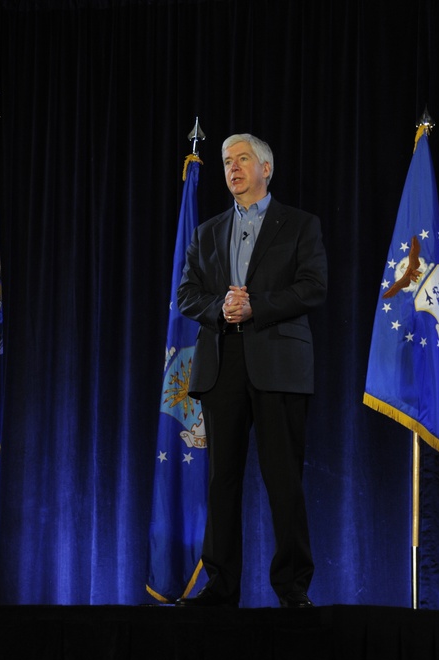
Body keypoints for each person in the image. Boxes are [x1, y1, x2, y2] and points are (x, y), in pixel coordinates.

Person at [175, 133, 328, 608]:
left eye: (242, 159)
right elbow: (187, 295)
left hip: (279, 362)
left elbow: (313, 287)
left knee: (283, 478)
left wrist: (255, 307)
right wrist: (222, 309)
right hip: (223, 363)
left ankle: (292, 588)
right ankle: (220, 587)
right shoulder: (207, 232)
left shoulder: (301, 225)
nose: (233, 168)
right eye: (226, 162)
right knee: (222, 480)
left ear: (267, 168)